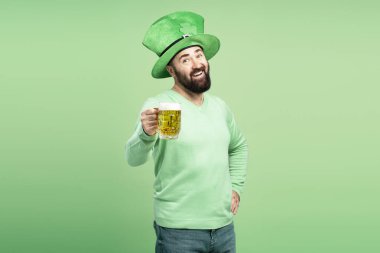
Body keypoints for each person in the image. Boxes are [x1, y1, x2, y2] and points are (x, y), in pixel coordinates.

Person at [126, 11, 248, 253]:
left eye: (199, 55)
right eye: (185, 59)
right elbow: (133, 158)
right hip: (178, 233)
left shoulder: (220, 107)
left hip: (224, 229)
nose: (197, 64)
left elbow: (239, 146)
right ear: (171, 71)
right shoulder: (159, 105)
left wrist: (236, 186)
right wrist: (146, 133)